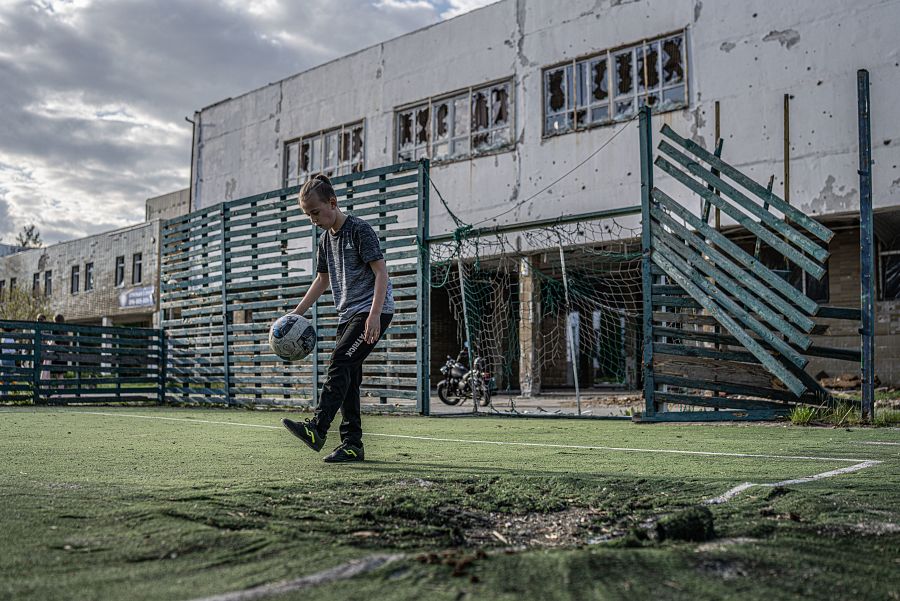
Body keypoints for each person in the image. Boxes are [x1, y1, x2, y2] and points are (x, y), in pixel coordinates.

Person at [281, 174, 394, 463]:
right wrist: (296, 314)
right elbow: (322, 280)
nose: (313, 219)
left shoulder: (359, 230)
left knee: (340, 362)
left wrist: (374, 315)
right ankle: (352, 444)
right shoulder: (324, 241)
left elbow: (381, 272)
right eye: (308, 215)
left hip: (371, 311)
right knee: (349, 378)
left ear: (333, 202)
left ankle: (317, 428)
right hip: (347, 314)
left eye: (315, 212)